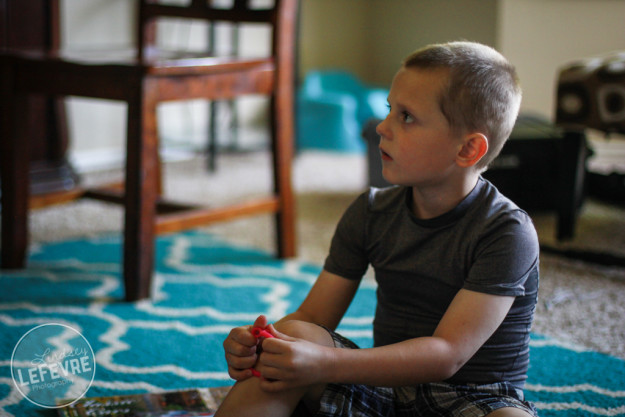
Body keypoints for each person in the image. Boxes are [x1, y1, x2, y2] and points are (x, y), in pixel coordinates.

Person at [216, 41, 540, 417]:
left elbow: (447, 355)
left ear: (468, 150)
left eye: (406, 117)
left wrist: (321, 363)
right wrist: (264, 345)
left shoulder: (507, 232)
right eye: (389, 109)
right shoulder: (370, 211)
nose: (381, 127)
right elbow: (312, 318)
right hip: (383, 388)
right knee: (295, 337)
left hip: (473, 398)